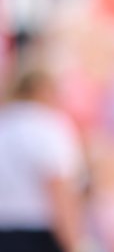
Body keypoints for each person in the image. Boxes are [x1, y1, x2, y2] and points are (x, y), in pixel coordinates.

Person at [0, 68, 88, 252]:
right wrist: (74, 243)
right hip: (39, 234)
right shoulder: (49, 126)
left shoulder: (4, 123)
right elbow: (59, 188)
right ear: (45, 91)